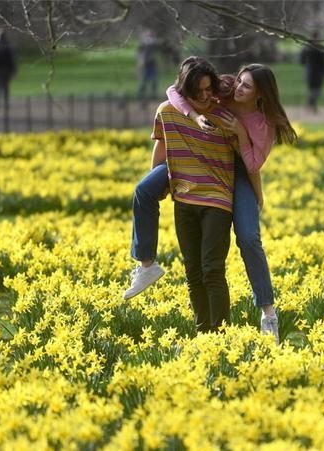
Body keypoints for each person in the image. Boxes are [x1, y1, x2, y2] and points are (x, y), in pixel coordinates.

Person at [125, 61, 297, 343]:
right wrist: (193, 116)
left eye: (247, 86)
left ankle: (268, 312)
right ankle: (146, 265)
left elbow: (253, 165)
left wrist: (240, 135)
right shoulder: (222, 90)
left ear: (261, 94)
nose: (238, 88)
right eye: (240, 81)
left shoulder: (263, 125)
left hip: (239, 169)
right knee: (144, 190)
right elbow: (174, 91)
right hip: (195, 157)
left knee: (249, 238)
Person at [150, 58, 238, 332]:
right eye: (197, 91)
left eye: (208, 89)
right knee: (193, 271)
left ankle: (221, 332)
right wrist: (157, 183)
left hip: (217, 199)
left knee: (212, 268)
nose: (204, 96)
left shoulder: (224, 115)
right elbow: (161, 149)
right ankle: (203, 331)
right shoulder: (167, 112)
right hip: (184, 200)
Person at [299, 36, 324, 113]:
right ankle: (311, 105)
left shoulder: (306, 50)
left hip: (310, 73)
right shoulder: (319, 50)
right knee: (315, 90)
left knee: (313, 90)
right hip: (317, 74)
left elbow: (301, 61)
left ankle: (311, 105)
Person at [136, 29, 159, 101]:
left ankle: (153, 95)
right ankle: (140, 95)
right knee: (143, 81)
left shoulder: (153, 44)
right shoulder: (143, 44)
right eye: (148, 35)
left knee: (154, 81)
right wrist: (140, 62)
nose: (150, 37)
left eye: (151, 35)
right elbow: (139, 54)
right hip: (145, 65)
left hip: (152, 65)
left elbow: (156, 44)